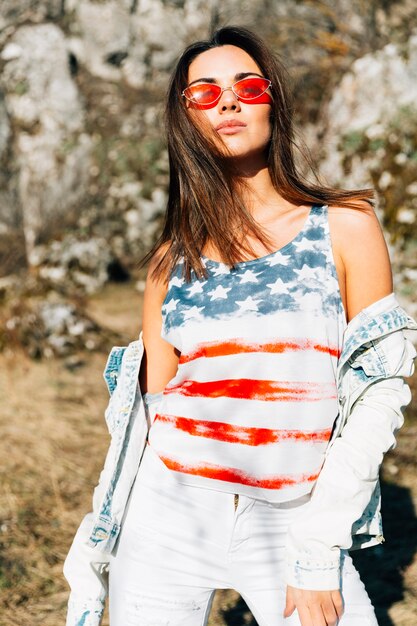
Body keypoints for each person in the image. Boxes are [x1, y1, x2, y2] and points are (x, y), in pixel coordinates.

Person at [63, 25, 417, 626]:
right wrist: (102, 537)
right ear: (186, 119)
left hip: (289, 515)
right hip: (167, 513)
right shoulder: (170, 261)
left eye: (247, 85)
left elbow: (378, 396)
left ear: (273, 101)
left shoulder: (344, 225)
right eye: (203, 92)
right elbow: (147, 416)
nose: (227, 101)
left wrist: (317, 545)